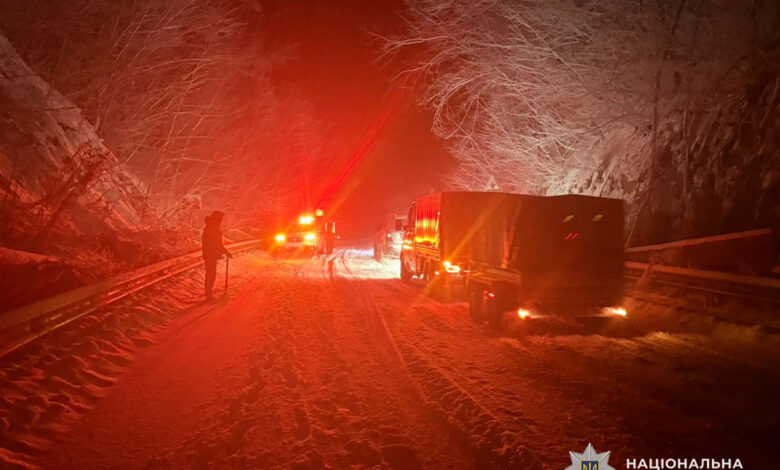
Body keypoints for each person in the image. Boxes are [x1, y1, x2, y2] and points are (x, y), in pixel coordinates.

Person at [202, 210, 228, 300]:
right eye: (220, 218)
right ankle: (208, 295)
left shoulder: (214, 227)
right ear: (216, 218)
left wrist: (224, 251)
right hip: (210, 255)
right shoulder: (211, 228)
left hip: (212, 254)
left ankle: (209, 294)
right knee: (210, 275)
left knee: (211, 274)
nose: (221, 220)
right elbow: (214, 243)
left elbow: (218, 243)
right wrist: (221, 250)